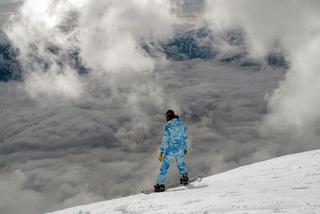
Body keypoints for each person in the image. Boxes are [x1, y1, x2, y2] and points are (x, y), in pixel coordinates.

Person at [154, 110, 189, 192]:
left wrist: (161, 152)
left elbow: (165, 140)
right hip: (180, 149)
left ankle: (160, 185)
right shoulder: (182, 124)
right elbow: (185, 137)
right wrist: (185, 148)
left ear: (168, 117)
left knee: (164, 167)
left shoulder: (168, 126)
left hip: (171, 150)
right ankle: (184, 178)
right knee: (181, 164)